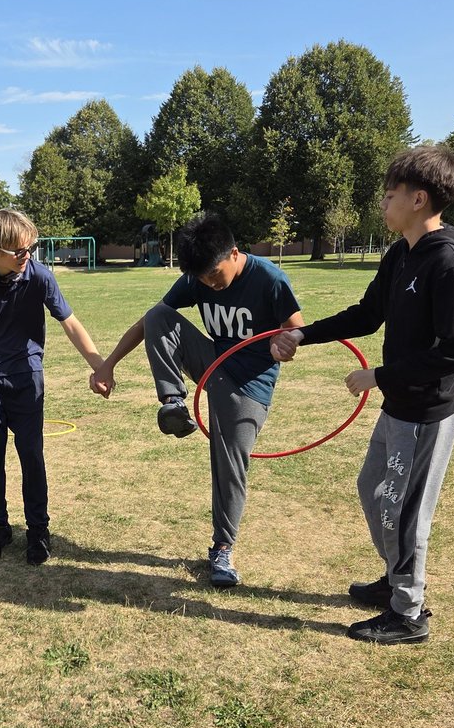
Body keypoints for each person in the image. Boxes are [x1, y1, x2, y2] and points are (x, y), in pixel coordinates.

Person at [271, 146, 454, 645]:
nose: (382, 203)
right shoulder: (401, 254)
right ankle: (395, 580)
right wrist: (304, 334)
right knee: (374, 490)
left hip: (428, 409)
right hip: (399, 406)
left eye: (390, 195)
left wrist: (381, 376)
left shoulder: (447, 263)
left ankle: (408, 613)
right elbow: (367, 314)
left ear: (419, 199)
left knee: (404, 508)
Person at [90, 211, 303, 587]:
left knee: (229, 467)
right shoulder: (198, 279)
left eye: (215, 276)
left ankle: (222, 550)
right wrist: (107, 365)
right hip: (213, 366)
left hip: (251, 386)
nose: (210, 285)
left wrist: (285, 344)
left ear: (234, 253)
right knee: (158, 315)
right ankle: (173, 403)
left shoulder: (269, 278)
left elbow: (297, 328)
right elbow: (147, 324)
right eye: (202, 279)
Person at [0, 208, 105, 565]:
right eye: (18, 251)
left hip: (27, 379)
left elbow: (70, 323)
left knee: (32, 456)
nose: (27, 256)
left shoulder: (39, 277)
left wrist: (100, 367)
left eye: (31, 249)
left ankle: (38, 531)